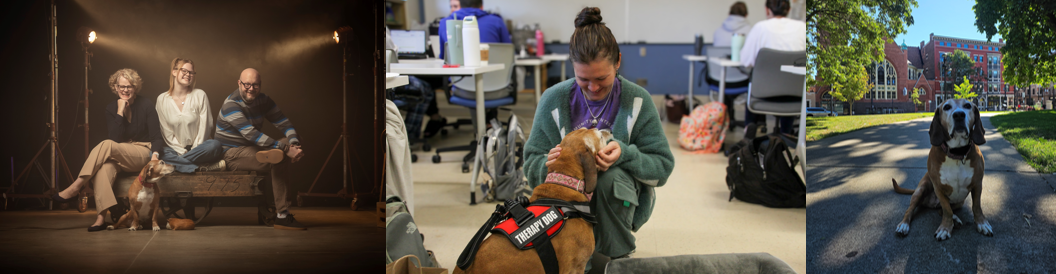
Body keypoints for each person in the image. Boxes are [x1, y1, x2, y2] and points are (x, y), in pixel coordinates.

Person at [523, 7, 674, 264]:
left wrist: (624, 154)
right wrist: (551, 165)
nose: (593, 88)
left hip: (616, 197)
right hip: (561, 205)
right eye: (583, 79)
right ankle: (572, 253)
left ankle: (615, 254)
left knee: (608, 178)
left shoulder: (638, 100)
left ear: (618, 62)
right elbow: (530, 163)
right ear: (572, 67)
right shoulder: (553, 99)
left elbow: (661, 167)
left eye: (602, 78)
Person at [49, 69, 165, 232]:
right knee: (104, 168)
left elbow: (157, 137)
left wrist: (154, 157)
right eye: (121, 86)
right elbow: (115, 139)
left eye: (129, 86)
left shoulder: (146, 104)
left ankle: (76, 186)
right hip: (120, 153)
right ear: (115, 87)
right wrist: (120, 112)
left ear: (135, 87)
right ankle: (101, 218)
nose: (125, 90)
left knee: (106, 145)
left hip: (142, 152)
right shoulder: (111, 108)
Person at [214, 68, 306, 230]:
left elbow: (285, 123)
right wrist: (286, 149)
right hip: (231, 153)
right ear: (239, 83)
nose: (251, 88)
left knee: (290, 142)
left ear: (260, 85)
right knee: (279, 155)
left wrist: (294, 145)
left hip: (253, 148)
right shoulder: (231, 104)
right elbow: (252, 135)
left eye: (255, 85)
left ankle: (282, 214)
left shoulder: (263, 100)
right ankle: (283, 215)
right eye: (247, 84)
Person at [739, 0, 806, 135]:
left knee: (752, 78)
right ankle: (786, 134)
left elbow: (745, 61)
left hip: (762, 96)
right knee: (791, 79)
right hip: (795, 97)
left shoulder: (760, 28)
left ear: (767, 10)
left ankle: (749, 130)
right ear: (788, 10)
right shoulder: (802, 28)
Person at [156, 57, 224, 173]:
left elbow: (206, 127)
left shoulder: (200, 95)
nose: (188, 74)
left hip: (201, 149)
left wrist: (194, 149)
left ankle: (176, 165)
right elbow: (166, 133)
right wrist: (181, 151)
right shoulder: (162, 99)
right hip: (175, 150)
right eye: (184, 71)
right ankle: (201, 167)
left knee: (215, 145)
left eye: (191, 72)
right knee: (154, 153)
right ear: (174, 71)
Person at [437, 0, 511, 60]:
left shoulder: (445, 23)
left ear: (460, 5)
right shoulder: (497, 21)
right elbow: (509, 53)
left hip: (457, 77)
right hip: (495, 76)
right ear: (481, 7)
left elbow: (443, 58)